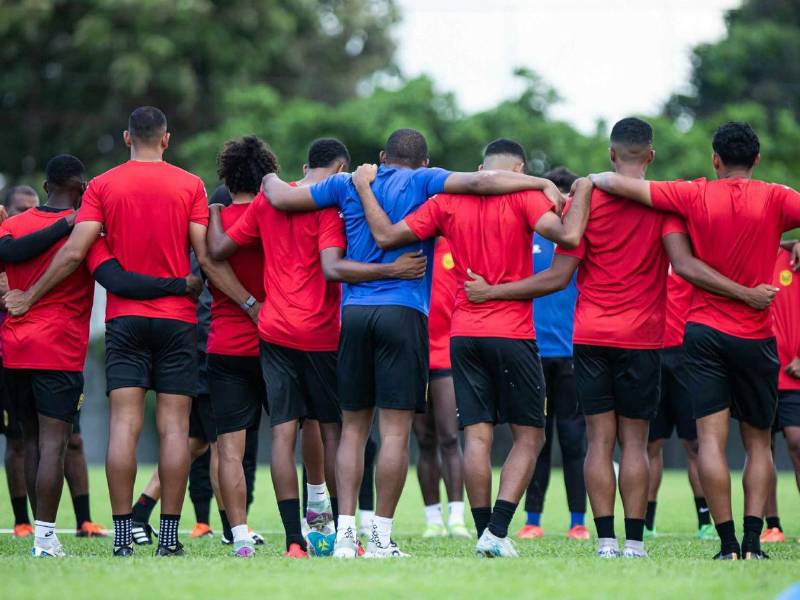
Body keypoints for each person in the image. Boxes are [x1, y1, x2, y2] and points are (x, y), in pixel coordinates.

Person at [464, 119, 770, 559]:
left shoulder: (586, 203)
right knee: (635, 443)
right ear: (650, 155)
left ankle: (604, 542)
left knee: (598, 442)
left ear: (611, 154)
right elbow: (690, 261)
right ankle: (632, 543)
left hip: (589, 336)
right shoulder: (664, 206)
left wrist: (492, 292)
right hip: (643, 338)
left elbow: (557, 276)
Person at [262, 128, 565, 559]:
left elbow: (283, 198)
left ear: (383, 156)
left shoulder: (349, 182)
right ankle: (382, 538)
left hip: (353, 315)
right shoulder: (426, 181)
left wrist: (267, 178)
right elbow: (481, 182)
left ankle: (347, 535)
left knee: (352, 429)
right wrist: (538, 181)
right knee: (395, 432)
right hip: (404, 314)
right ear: (424, 163)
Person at [5, 106, 254, 557]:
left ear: (125, 138)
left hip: (124, 320)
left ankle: (122, 536)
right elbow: (209, 257)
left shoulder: (101, 186)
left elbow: (74, 253)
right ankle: (169, 538)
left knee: (124, 424)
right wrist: (249, 301)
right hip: (178, 320)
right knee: (176, 428)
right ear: (166, 139)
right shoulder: (190, 185)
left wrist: (29, 296)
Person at [350, 138, 591, 558]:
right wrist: (582, 191)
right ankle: (496, 530)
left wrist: (365, 188)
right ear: (517, 170)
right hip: (513, 334)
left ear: (483, 168)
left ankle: (485, 534)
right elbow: (569, 236)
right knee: (530, 437)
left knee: (476, 437)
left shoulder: (446, 202)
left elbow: (386, 235)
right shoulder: (526, 198)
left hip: (463, 334)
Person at [589, 120, 799, 559]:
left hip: (703, 334)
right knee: (760, 443)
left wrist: (593, 179)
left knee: (709, 442)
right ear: (756, 160)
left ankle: (725, 545)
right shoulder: (779, 197)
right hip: (757, 335)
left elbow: (620, 184)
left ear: (715, 159)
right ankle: (754, 543)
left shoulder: (692, 192)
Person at [208, 137, 427, 558]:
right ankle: (346, 532)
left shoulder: (267, 201)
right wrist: (391, 269)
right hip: (322, 333)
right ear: (340, 167)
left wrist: (214, 212)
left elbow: (218, 250)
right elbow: (333, 267)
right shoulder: (331, 206)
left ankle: (294, 542)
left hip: (272, 329)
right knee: (335, 433)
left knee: (282, 435)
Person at [0, 155, 96, 557]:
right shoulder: (86, 230)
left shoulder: (12, 224)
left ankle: (35, 530)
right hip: (59, 348)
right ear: (82, 189)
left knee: (29, 439)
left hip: (14, 348)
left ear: (45, 186)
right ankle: (44, 537)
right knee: (56, 440)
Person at [516, 167, 588, 542]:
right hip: (533, 353)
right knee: (536, 440)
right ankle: (532, 520)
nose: (560, 204)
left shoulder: (580, 237)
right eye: (554, 198)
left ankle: (578, 522)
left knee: (576, 442)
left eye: (566, 199)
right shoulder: (528, 233)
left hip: (575, 354)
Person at [645, 262, 714, 541]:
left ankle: (705, 522)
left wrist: (791, 244)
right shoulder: (648, 247)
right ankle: (646, 523)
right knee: (649, 443)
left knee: (696, 444)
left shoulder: (692, 252)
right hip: (651, 354)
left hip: (688, 357)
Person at [415, 237, 469, 539]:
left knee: (450, 436)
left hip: (447, 354)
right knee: (424, 440)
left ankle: (457, 518)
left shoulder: (454, 246)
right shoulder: (409, 247)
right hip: (414, 356)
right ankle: (432, 519)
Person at [760, 243, 800, 545]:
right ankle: (772, 525)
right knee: (761, 448)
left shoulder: (793, 258)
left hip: (792, 372)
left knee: (797, 442)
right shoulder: (746, 254)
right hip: (757, 371)